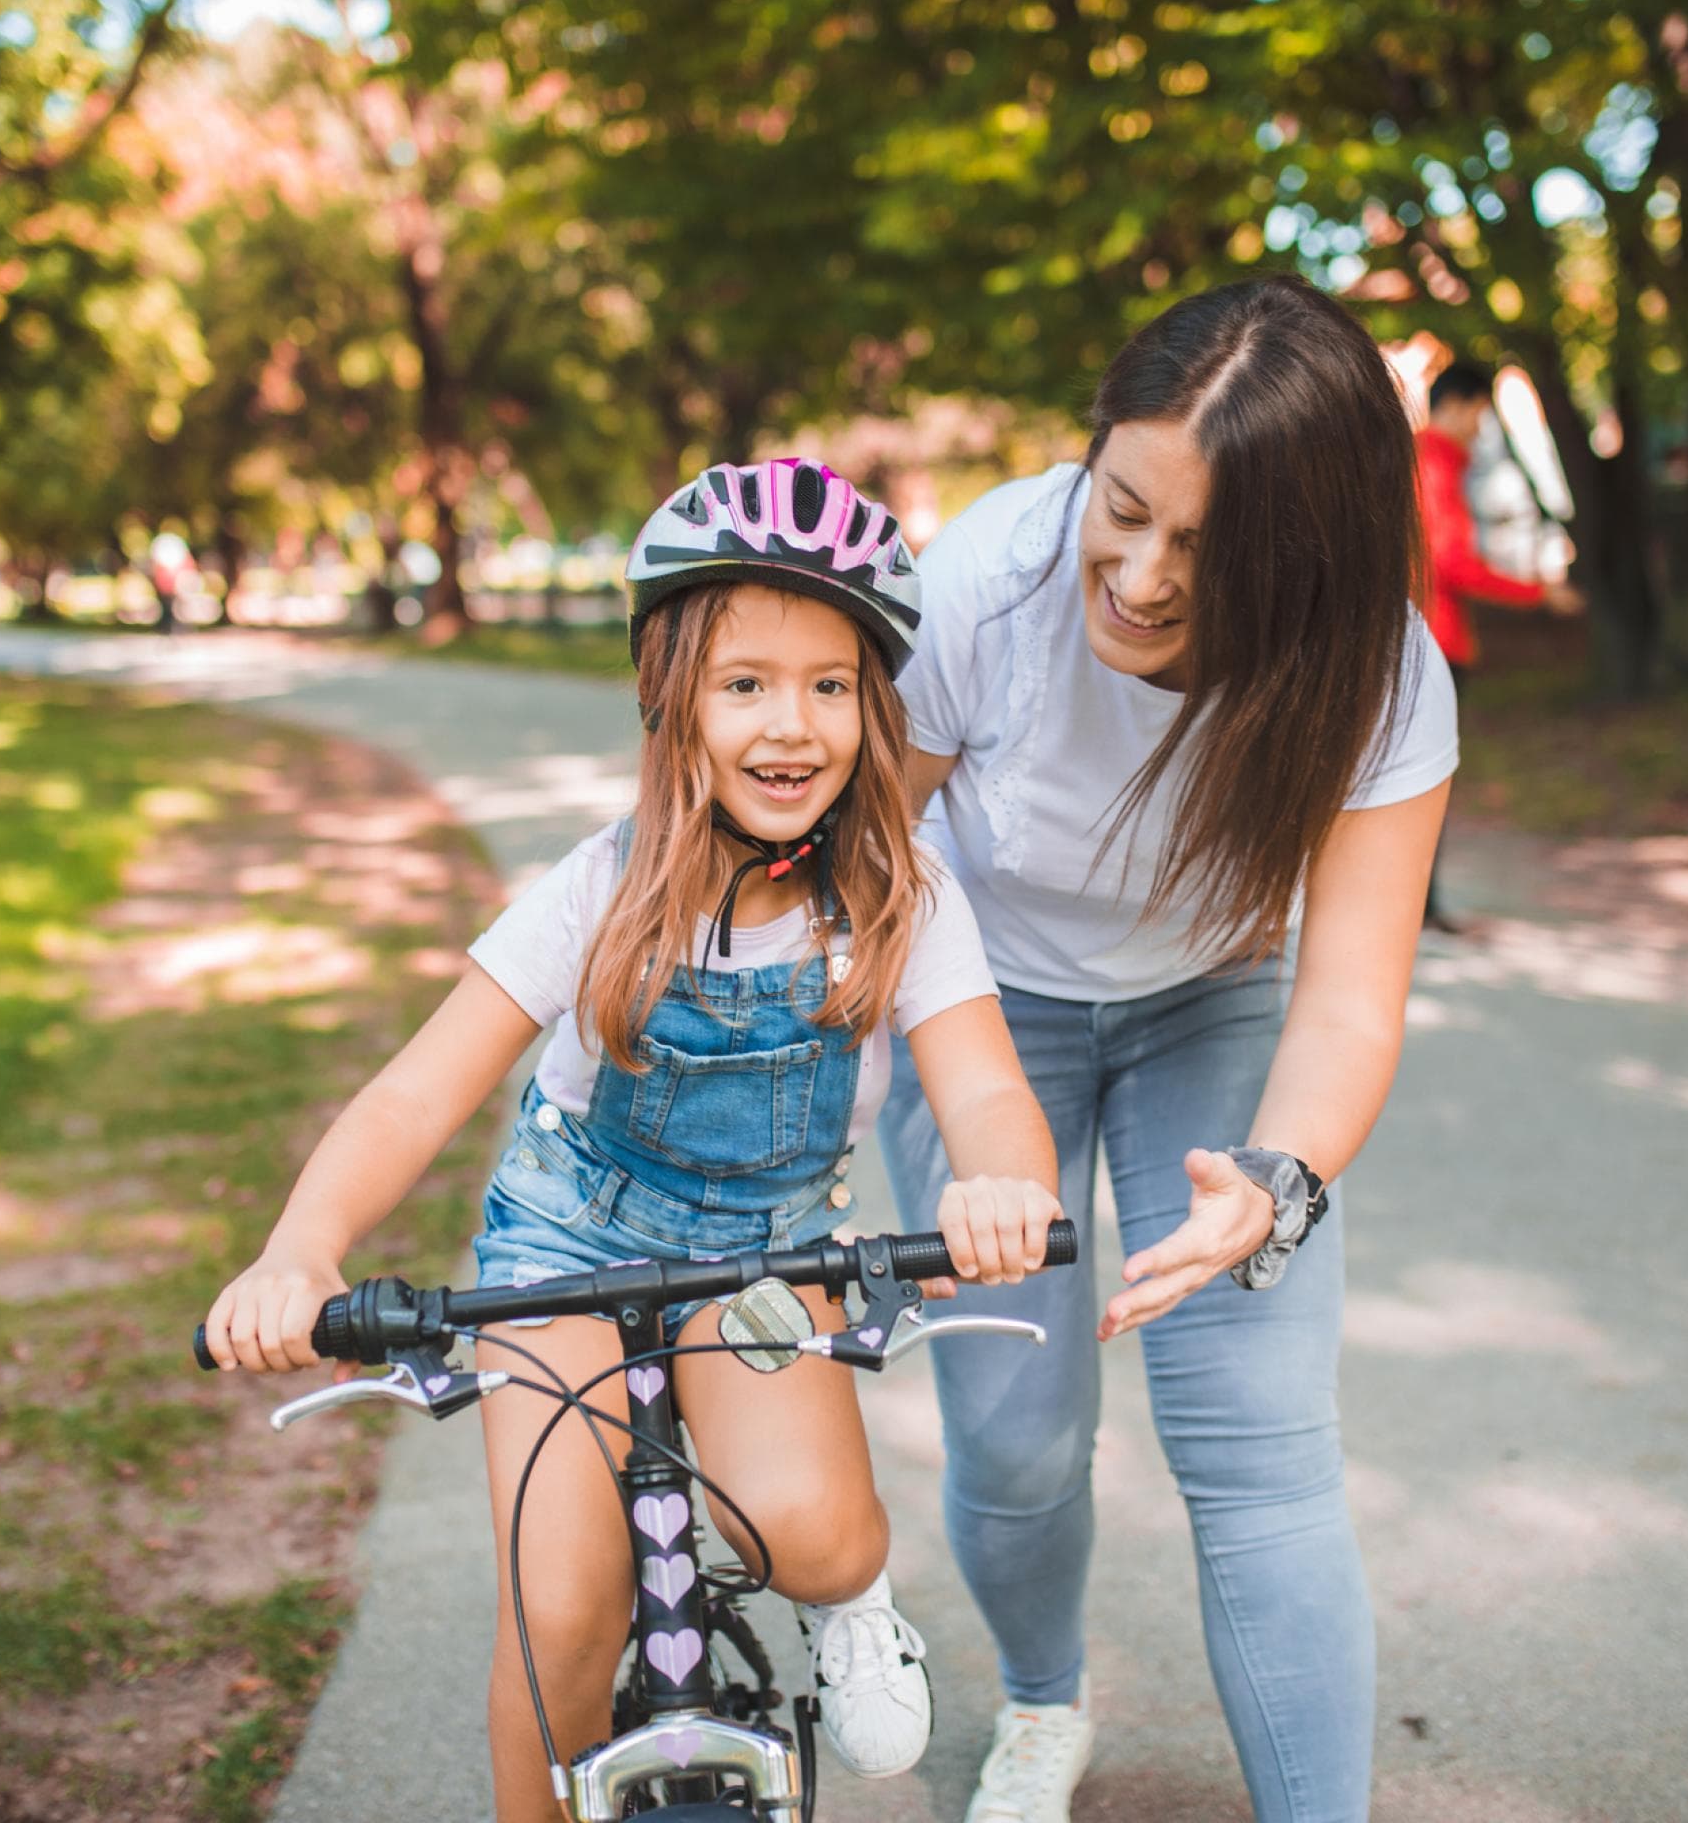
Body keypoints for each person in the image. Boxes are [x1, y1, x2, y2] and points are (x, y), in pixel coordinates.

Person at [201, 458, 1062, 1823]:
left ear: (875, 707)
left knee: (809, 1534)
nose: (793, 725)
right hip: (566, 1242)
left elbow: (990, 1092)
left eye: (831, 685)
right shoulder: (598, 891)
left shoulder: (903, 897)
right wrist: (301, 1252)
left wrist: (1003, 1185)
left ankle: (852, 1603)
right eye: (745, 684)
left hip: (766, 1255)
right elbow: (414, 1096)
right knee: (562, 1616)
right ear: (672, 703)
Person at [877, 278, 1459, 1823]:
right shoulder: (991, 578)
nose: (1137, 578)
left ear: (1304, 564)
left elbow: (1350, 997)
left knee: (1261, 1444)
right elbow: (867, 857)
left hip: (1211, 1001)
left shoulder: (1382, 677)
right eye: (1122, 509)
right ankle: (1043, 1703)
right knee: (1017, 1436)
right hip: (978, 998)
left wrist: (1276, 1177)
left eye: (1202, 550)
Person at [1414, 360, 1572, 932]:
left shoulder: (1417, 463)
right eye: (1479, 415)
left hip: (1423, 640)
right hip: (1433, 644)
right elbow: (1451, 562)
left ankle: (1421, 906)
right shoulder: (1432, 465)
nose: (1480, 430)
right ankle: (1421, 908)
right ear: (1456, 405)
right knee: (1424, 780)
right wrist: (1536, 593)